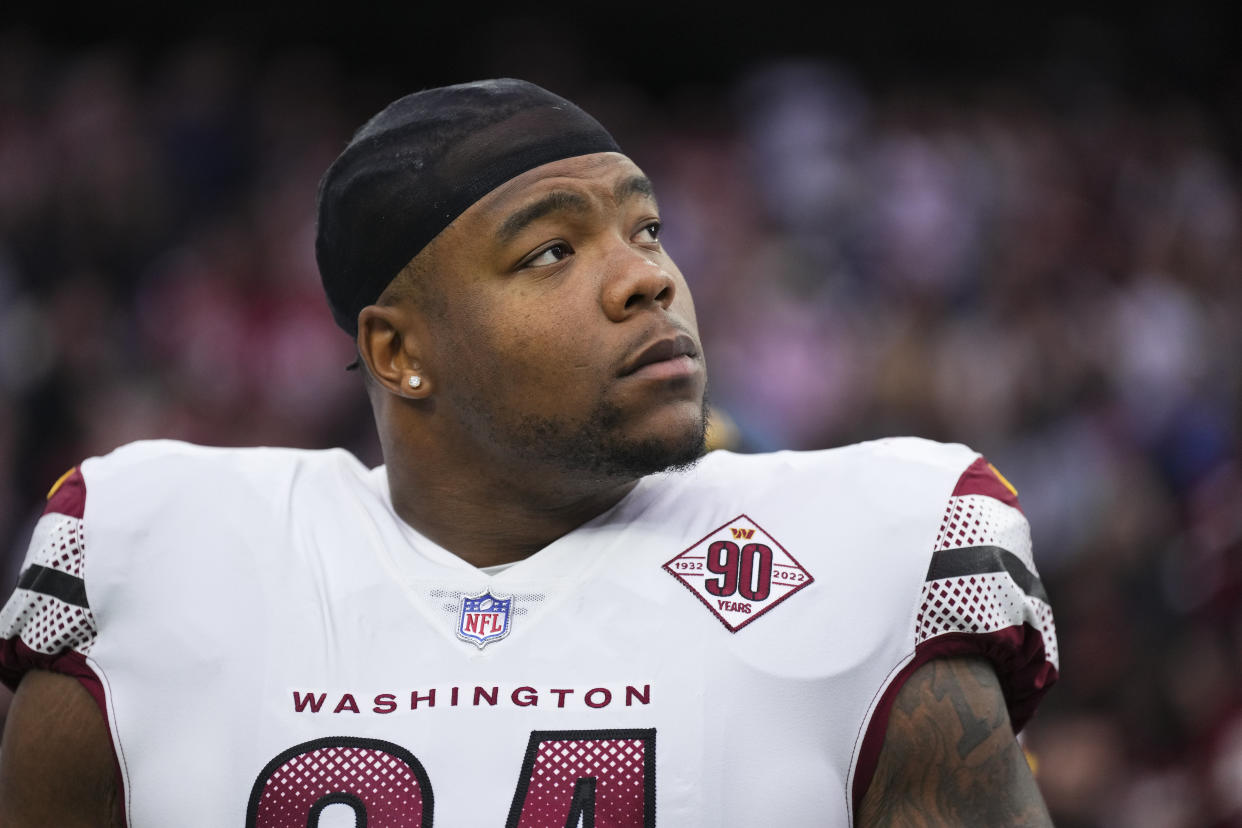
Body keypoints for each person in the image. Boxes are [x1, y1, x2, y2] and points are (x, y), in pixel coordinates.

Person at [0, 78, 1058, 826]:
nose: (646, 278)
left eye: (645, 231)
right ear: (399, 351)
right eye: (553, 250)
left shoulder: (867, 545)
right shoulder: (165, 553)